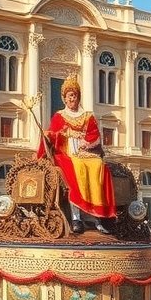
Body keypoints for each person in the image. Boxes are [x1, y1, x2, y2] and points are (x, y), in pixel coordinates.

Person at [37, 74, 116, 234]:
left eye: (75, 95)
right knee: (77, 168)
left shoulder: (88, 116)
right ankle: (76, 217)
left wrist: (86, 142)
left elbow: (95, 135)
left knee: (98, 166)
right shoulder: (59, 116)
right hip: (66, 153)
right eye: (70, 96)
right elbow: (52, 134)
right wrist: (53, 134)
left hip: (84, 152)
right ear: (65, 99)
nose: (73, 99)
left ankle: (96, 216)